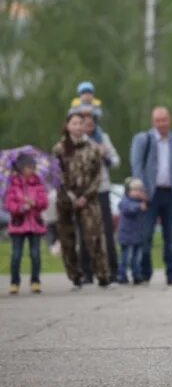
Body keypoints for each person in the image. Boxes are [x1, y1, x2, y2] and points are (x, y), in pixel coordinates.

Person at [52, 109, 111, 288]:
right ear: (68, 126)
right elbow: (56, 174)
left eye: (81, 124)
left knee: (94, 237)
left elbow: (97, 176)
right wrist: (69, 195)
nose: (78, 127)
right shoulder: (59, 149)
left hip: (88, 199)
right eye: (74, 124)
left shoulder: (92, 148)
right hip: (66, 200)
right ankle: (75, 275)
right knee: (67, 238)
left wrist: (85, 196)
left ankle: (102, 273)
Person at [130, 106, 172, 285]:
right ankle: (145, 272)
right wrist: (140, 190)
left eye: (164, 120)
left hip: (170, 194)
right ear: (153, 122)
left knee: (171, 237)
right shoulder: (143, 140)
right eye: (158, 120)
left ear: (170, 120)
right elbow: (136, 165)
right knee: (145, 235)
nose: (161, 124)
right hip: (149, 195)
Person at [78, 105, 120, 280]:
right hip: (85, 191)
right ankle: (87, 271)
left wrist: (106, 156)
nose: (88, 126)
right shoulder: (76, 142)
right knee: (85, 231)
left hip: (102, 188)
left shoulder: (104, 138)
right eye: (84, 123)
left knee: (107, 231)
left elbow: (116, 161)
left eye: (91, 123)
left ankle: (113, 269)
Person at [3, 154, 48, 294]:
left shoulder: (38, 184)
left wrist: (34, 203)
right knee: (16, 255)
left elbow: (44, 202)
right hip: (18, 225)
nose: (31, 170)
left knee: (35, 254)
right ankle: (14, 282)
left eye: (33, 167)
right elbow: (9, 204)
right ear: (21, 168)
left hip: (35, 224)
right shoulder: (13, 185)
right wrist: (21, 208)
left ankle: (35, 281)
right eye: (29, 167)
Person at [116, 177, 148, 284]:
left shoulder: (141, 202)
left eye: (139, 190)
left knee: (136, 257)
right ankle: (122, 275)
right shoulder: (125, 201)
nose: (137, 193)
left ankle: (136, 275)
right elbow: (128, 209)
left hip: (138, 234)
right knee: (125, 256)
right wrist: (138, 206)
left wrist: (144, 200)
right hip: (127, 234)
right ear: (128, 191)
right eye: (134, 190)